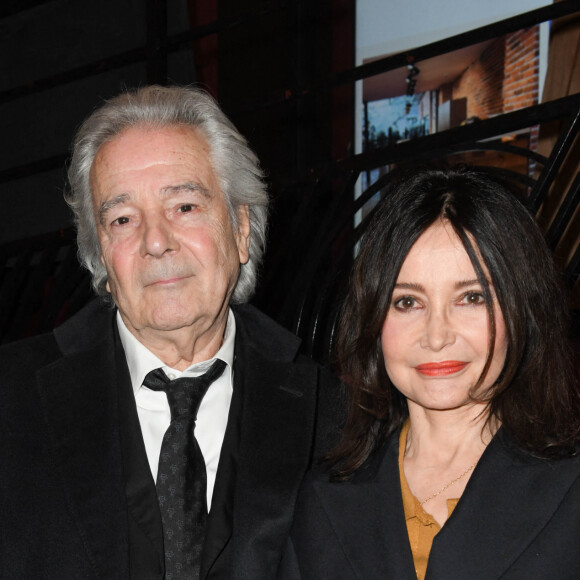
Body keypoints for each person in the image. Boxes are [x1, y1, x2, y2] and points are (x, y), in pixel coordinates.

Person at [0, 85, 340, 580]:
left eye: (184, 206)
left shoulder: (336, 415)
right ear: (100, 257)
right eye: (122, 218)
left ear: (242, 228)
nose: (155, 241)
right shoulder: (10, 400)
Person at [279, 168, 580, 579]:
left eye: (471, 297)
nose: (436, 336)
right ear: (373, 317)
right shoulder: (320, 500)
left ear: (520, 310)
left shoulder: (569, 487)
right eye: (407, 302)